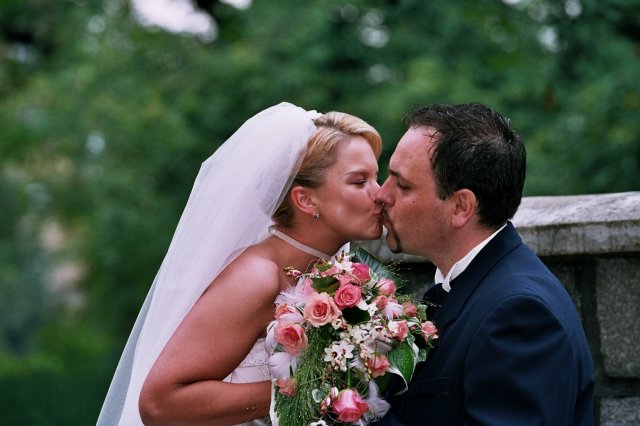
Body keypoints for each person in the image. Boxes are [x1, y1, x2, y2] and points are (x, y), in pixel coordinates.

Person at [97, 102, 384, 425]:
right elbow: (159, 403)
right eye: (360, 182)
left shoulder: (337, 272)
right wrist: (308, 390)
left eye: (376, 177)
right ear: (305, 200)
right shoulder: (257, 276)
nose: (380, 194)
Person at [374, 103, 594, 425]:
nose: (381, 195)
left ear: (461, 207)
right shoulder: (463, 287)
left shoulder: (520, 314)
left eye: (402, 185)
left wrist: (354, 412)